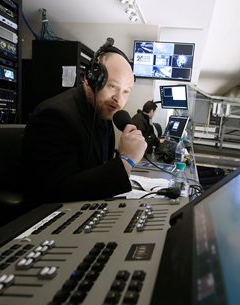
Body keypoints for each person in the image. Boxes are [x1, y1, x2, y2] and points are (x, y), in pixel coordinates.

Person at [22, 40, 147, 203]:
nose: (119, 100)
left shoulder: (103, 115)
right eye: (113, 87)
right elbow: (57, 191)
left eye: (125, 92)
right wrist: (126, 161)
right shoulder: (55, 115)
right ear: (91, 78)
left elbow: (97, 169)